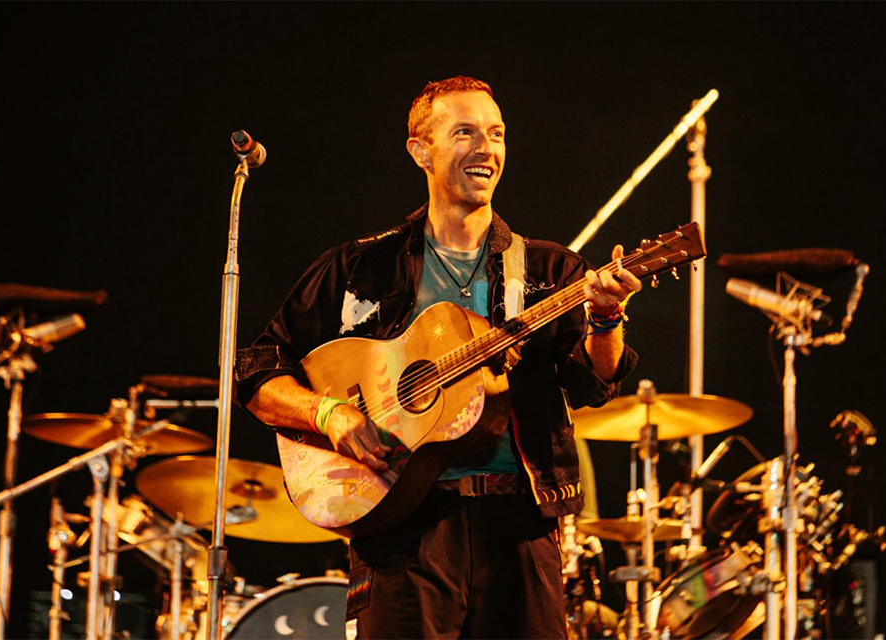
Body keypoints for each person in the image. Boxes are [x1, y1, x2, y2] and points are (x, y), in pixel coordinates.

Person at [235, 76, 642, 639]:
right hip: (400, 532)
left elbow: (595, 383)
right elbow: (256, 369)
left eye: (496, 133)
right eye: (465, 132)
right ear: (420, 150)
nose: (487, 148)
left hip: (519, 529)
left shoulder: (552, 272)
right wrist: (329, 414)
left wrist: (605, 318)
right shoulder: (361, 267)